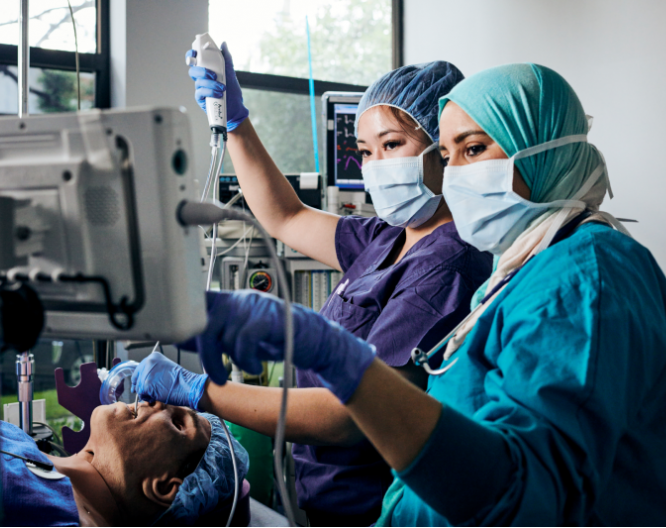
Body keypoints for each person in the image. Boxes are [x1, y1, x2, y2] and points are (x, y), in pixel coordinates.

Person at [149, 62, 666, 526]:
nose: (457, 171)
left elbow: (521, 492)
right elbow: (287, 216)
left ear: (541, 147)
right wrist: (236, 123)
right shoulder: (512, 265)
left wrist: (209, 388)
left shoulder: (577, 277)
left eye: (473, 149)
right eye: (450, 152)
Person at [181, 45, 492, 524]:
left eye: (391, 146)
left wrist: (199, 391)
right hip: (326, 497)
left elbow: (348, 417)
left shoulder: (448, 265)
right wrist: (237, 122)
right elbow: (285, 215)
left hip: (375, 506)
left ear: (443, 148)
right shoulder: (386, 237)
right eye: (365, 152)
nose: (375, 166)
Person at [0, 401, 248, 527]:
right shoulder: (17, 437)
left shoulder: (68, 521)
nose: (157, 402)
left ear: (163, 487)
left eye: (177, 422)